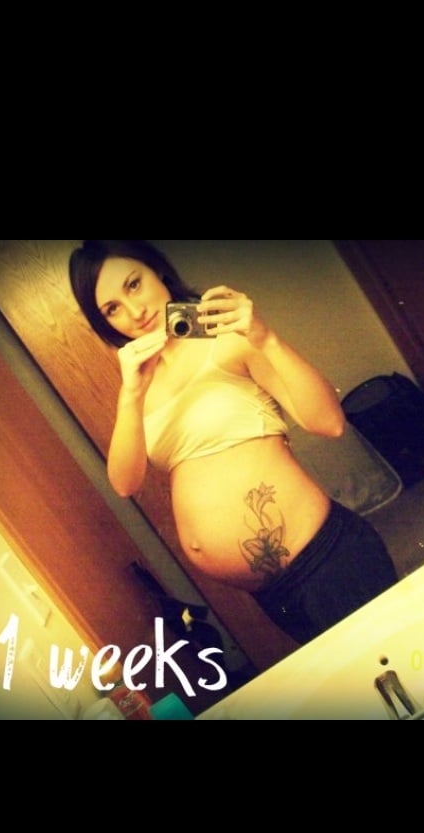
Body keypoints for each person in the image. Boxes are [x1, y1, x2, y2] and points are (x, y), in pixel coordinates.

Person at [69, 240, 397, 645]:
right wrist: (130, 395)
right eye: (112, 309)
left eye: (134, 284)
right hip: (273, 594)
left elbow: (329, 423)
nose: (134, 312)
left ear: (157, 269)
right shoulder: (140, 384)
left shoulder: (223, 337)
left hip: (325, 561)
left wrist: (267, 339)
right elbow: (125, 483)